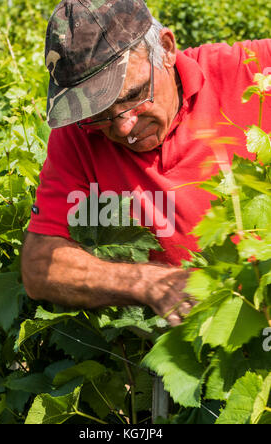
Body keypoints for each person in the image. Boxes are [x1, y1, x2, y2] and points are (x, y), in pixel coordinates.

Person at [21, 0, 271, 326]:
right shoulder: (79, 133)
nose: (123, 127)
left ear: (166, 49)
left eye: (133, 96)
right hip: (187, 338)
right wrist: (144, 282)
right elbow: (40, 265)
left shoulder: (248, 73)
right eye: (101, 115)